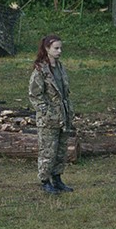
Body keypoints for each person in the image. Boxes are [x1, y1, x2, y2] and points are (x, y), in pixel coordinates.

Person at [28, 34, 75, 195]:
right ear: (47, 49)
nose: (59, 51)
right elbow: (35, 94)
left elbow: (64, 92)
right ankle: (45, 180)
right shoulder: (40, 70)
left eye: (60, 48)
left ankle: (57, 178)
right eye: (56, 48)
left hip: (63, 115)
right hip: (48, 118)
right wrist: (46, 111)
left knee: (61, 150)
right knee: (48, 150)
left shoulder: (60, 67)